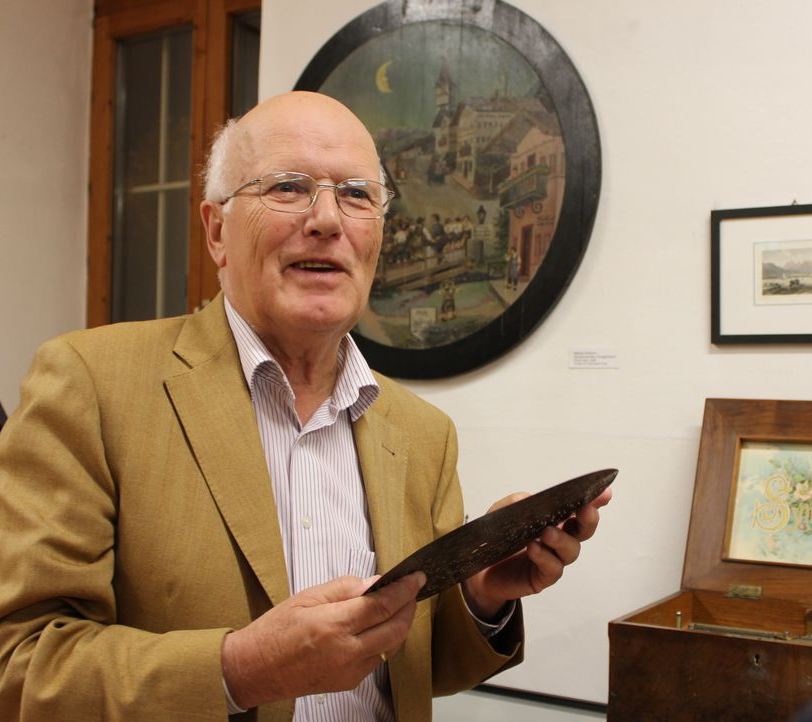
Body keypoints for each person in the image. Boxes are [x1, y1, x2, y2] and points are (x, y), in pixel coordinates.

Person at [0, 91, 610, 722]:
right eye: (287, 187)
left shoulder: (424, 435)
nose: (327, 220)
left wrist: (482, 596)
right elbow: (20, 668)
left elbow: (413, 671)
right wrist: (241, 668)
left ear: (378, 235)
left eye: (355, 194)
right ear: (216, 231)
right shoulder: (91, 386)